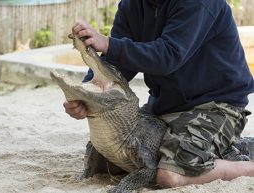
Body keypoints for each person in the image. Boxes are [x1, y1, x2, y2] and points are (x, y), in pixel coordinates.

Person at [63, 0, 254, 188]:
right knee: (105, 164)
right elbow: (116, 64)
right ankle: (219, 149)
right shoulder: (131, 5)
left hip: (216, 104)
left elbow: (168, 55)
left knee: (170, 176)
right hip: (163, 104)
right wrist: (86, 96)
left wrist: (108, 43)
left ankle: (247, 167)